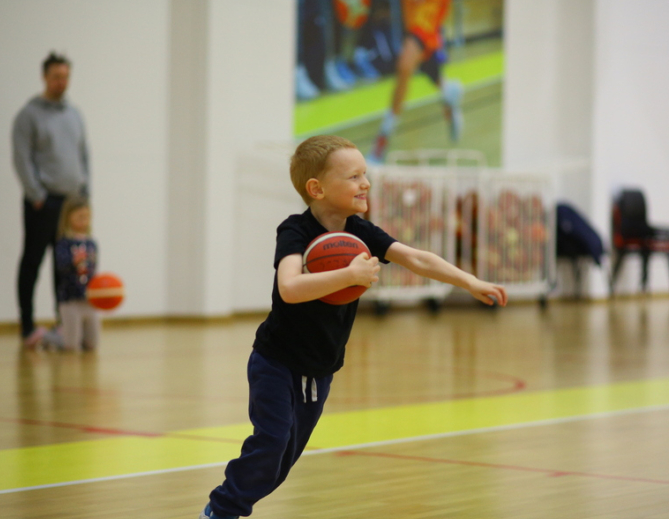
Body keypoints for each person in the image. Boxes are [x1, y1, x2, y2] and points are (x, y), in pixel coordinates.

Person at [198, 135, 507, 519]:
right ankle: (221, 510)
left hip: (320, 368)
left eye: (366, 174)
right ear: (318, 188)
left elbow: (417, 258)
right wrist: (349, 274)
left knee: (281, 463)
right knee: (272, 442)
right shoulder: (295, 230)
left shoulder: (360, 232)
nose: (366, 184)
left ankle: (230, 505)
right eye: (354, 176)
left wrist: (470, 282)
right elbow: (290, 288)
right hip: (276, 362)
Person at [12, 52, 90, 349]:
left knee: (66, 267)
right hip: (42, 203)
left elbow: (84, 156)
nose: (62, 82)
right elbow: (22, 157)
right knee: (32, 262)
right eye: (57, 76)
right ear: (45, 77)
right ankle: (28, 326)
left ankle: (64, 325)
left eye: (66, 76)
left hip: (71, 204)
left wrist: (84, 194)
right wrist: (37, 195)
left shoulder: (74, 114)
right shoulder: (29, 115)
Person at [369, 0, 462, 164]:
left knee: (405, 65)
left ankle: (383, 138)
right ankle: (449, 91)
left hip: (426, 13)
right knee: (428, 67)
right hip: (413, 17)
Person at [53, 198, 99, 351]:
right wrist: (74, 262)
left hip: (89, 299)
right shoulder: (64, 243)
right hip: (70, 299)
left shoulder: (91, 243)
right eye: (79, 217)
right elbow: (60, 266)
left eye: (86, 217)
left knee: (92, 344)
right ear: (68, 218)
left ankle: (66, 333)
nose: (84, 220)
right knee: (71, 346)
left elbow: (93, 270)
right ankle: (49, 337)